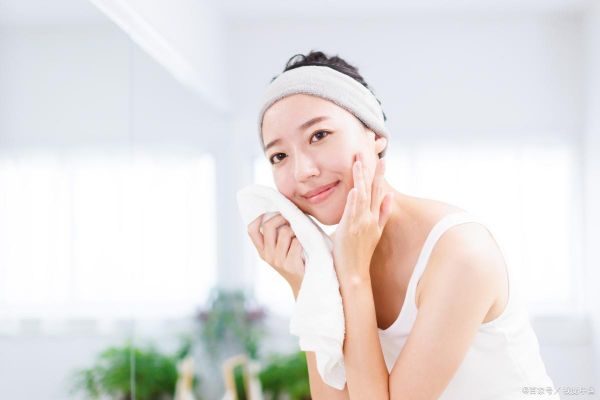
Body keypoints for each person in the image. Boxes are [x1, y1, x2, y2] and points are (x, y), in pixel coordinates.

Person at [246, 50, 559, 399]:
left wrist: (354, 276)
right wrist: (307, 288)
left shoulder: (461, 253)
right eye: (279, 156)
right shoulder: (340, 259)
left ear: (375, 135)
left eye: (319, 135)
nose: (303, 171)